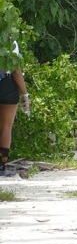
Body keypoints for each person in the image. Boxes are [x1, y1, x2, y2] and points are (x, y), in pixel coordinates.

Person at [0, 41, 30, 177]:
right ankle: (1, 165)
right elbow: (16, 71)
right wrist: (25, 95)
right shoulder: (10, 41)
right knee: (6, 127)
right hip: (7, 84)